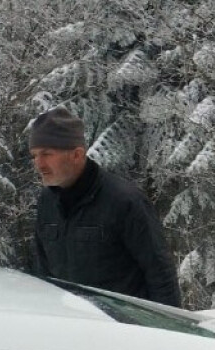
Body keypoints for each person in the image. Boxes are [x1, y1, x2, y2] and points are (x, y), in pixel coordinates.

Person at [29, 107, 181, 307]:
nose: (38, 164)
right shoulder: (46, 203)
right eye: (34, 155)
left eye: (47, 154)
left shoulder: (124, 200)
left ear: (77, 155)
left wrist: (167, 331)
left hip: (125, 328)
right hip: (73, 324)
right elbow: (45, 273)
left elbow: (160, 273)